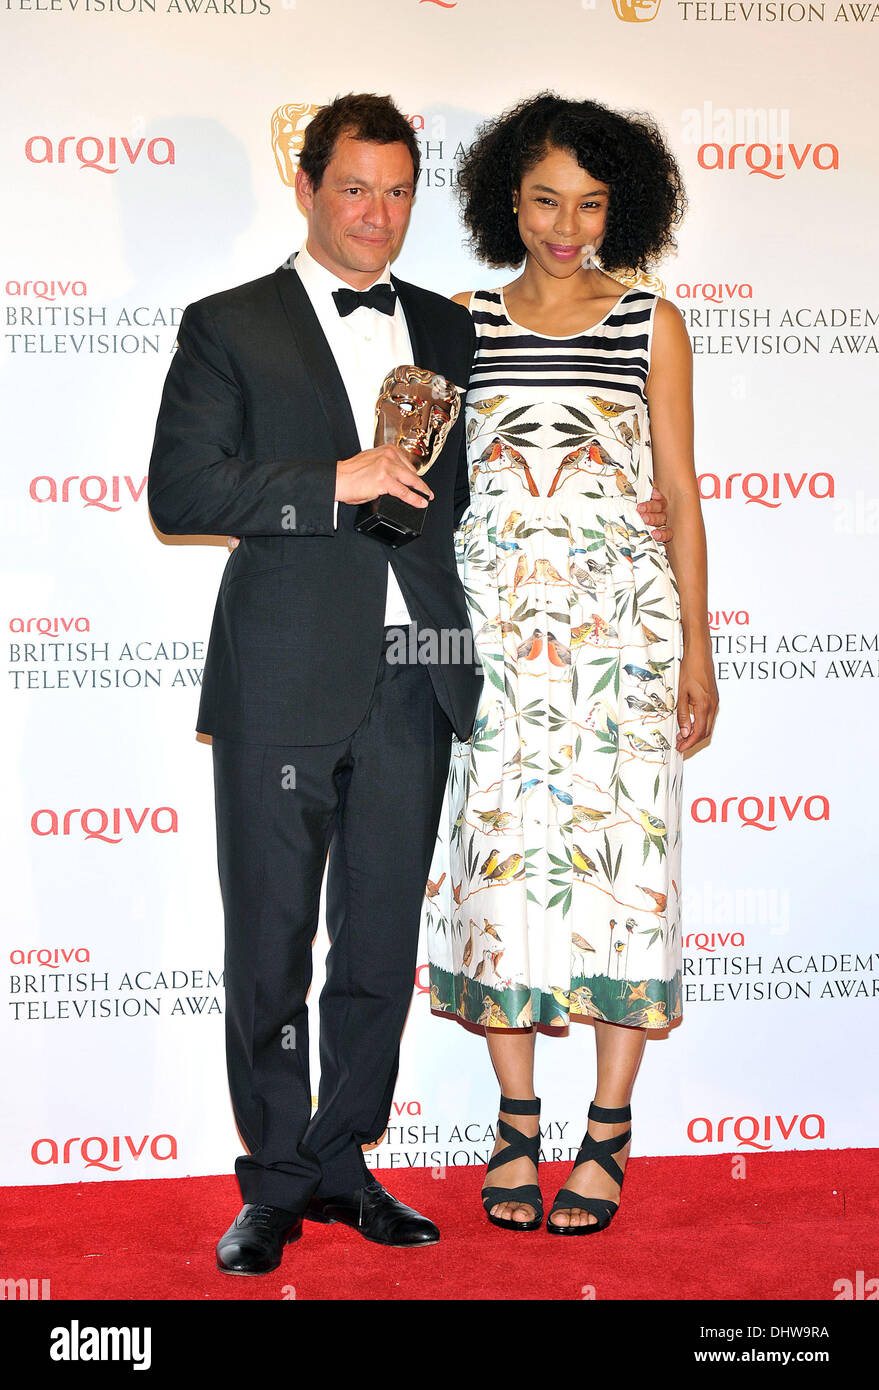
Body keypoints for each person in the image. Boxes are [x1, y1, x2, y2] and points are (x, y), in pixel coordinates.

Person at [147, 93, 488, 1275]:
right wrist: (329, 480)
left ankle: (345, 1158)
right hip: (283, 674)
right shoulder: (227, 324)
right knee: (271, 946)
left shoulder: (451, 328)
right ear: (306, 186)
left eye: (397, 190)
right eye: (354, 187)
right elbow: (182, 492)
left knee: (380, 942)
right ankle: (277, 1177)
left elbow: (476, 497)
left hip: (416, 672)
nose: (377, 214)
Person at [422, 93, 719, 1234]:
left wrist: (698, 645)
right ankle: (512, 1123)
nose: (567, 226)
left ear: (619, 208)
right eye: (547, 200)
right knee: (499, 880)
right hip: (491, 644)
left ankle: (606, 1130)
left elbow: (683, 498)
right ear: (509, 198)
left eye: (591, 204)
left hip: (623, 644)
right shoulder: (460, 322)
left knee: (621, 880)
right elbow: (428, 491)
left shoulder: (652, 321)